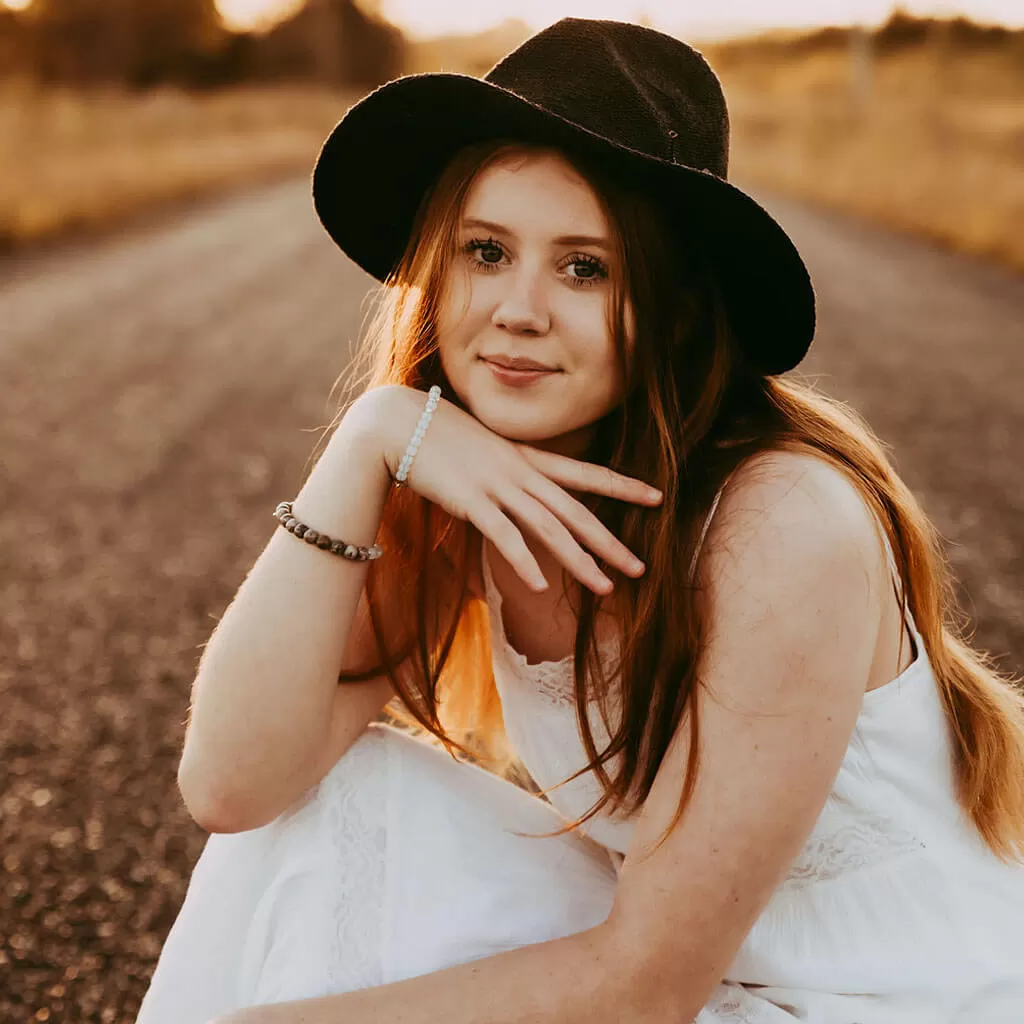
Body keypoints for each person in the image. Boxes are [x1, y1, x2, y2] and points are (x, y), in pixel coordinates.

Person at [136, 17, 1024, 1024]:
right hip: (705, 970)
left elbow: (644, 988)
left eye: (584, 268)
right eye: (485, 251)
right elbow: (233, 786)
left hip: (881, 999)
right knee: (339, 797)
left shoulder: (780, 521)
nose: (518, 309)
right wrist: (371, 433)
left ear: (677, 309)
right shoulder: (451, 492)